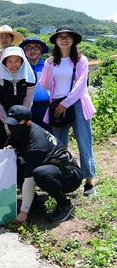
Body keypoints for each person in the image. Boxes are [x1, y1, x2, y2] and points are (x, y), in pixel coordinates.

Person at [39, 27, 97, 196]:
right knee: (59, 145)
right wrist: (48, 66)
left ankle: (89, 180)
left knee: (84, 142)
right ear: (56, 41)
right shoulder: (52, 61)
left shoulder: (81, 60)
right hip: (57, 104)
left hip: (77, 104)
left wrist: (66, 103)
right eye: (60, 37)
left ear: (73, 40)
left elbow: (81, 85)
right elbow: (46, 84)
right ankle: (63, 180)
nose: (64, 40)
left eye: (67, 37)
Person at [6, 105, 83, 224]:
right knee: (14, 162)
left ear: (28, 122)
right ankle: (35, 204)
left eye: (16, 123)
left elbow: (29, 180)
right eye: (10, 122)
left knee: (40, 174)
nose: (11, 126)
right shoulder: (20, 131)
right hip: (51, 168)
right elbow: (10, 147)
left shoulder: (36, 145)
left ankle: (65, 205)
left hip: (70, 176)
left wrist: (23, 212)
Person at [0, 47, 36, 148]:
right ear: (4, 63)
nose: (13, 64)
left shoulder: (30, 77)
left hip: (22, 118)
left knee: (23, 147)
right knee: (3, 146)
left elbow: (28, 100)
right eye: (10, 61)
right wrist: (6, 122)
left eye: (17, 61)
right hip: (2, 117)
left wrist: (22, 119)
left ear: (22, 62)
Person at [20, 36, 52, 132]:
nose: (32, 50)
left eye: (36, 47)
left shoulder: (49, 65)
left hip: (47, 108)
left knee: (48, 137)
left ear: (41, 50)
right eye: (28, 47)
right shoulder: (20, 67)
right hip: (27, 107)